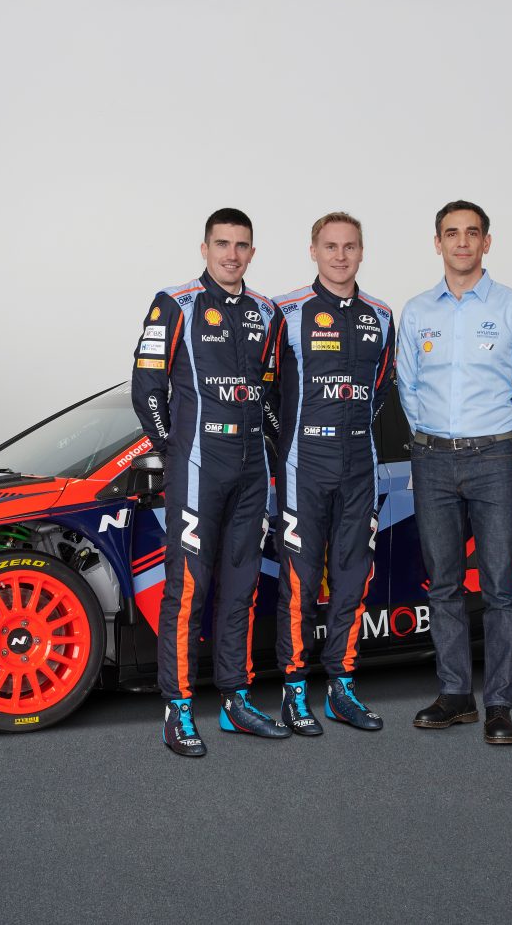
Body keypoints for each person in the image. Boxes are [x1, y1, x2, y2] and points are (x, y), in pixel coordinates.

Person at [131, 208, 290, 757]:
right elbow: (147, 387)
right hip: (199, 467)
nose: (232, 254)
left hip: (252, 471)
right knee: (189, 589)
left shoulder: (266, 311)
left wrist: (277, 449)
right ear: (205, 249)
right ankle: (177, 710)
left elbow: (270, 393)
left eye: (241, 245)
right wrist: (173, 450)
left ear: (252, 252)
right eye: (222, 244)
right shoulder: (175, 303)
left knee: (242, 588)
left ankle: (235, 701)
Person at [396, 201, 512, 745]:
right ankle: (456, 696)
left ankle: (499, 705)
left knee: (501, 589)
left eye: (472, 233)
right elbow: (408, 387)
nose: (462, 242)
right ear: (437, 242)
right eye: (452, 233)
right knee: (444, 586)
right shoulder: (417, 311)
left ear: (487, 242)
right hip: (432, 460)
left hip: (494, 459)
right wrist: (430, 442)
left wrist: (510, 452)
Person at [272, 212, 395, 734]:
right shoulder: (286, 311)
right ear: (313, 251)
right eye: (330, 246)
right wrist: (289, 441)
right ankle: (294, 692)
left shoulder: (381, 315)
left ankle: (342, 688)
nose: (340, 256)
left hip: (360, 466)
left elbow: (382, 388)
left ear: (361, 251)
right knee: (300, 584)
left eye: (349, 246)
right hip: (304, 465)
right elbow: (267, 391)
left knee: (351, 580)